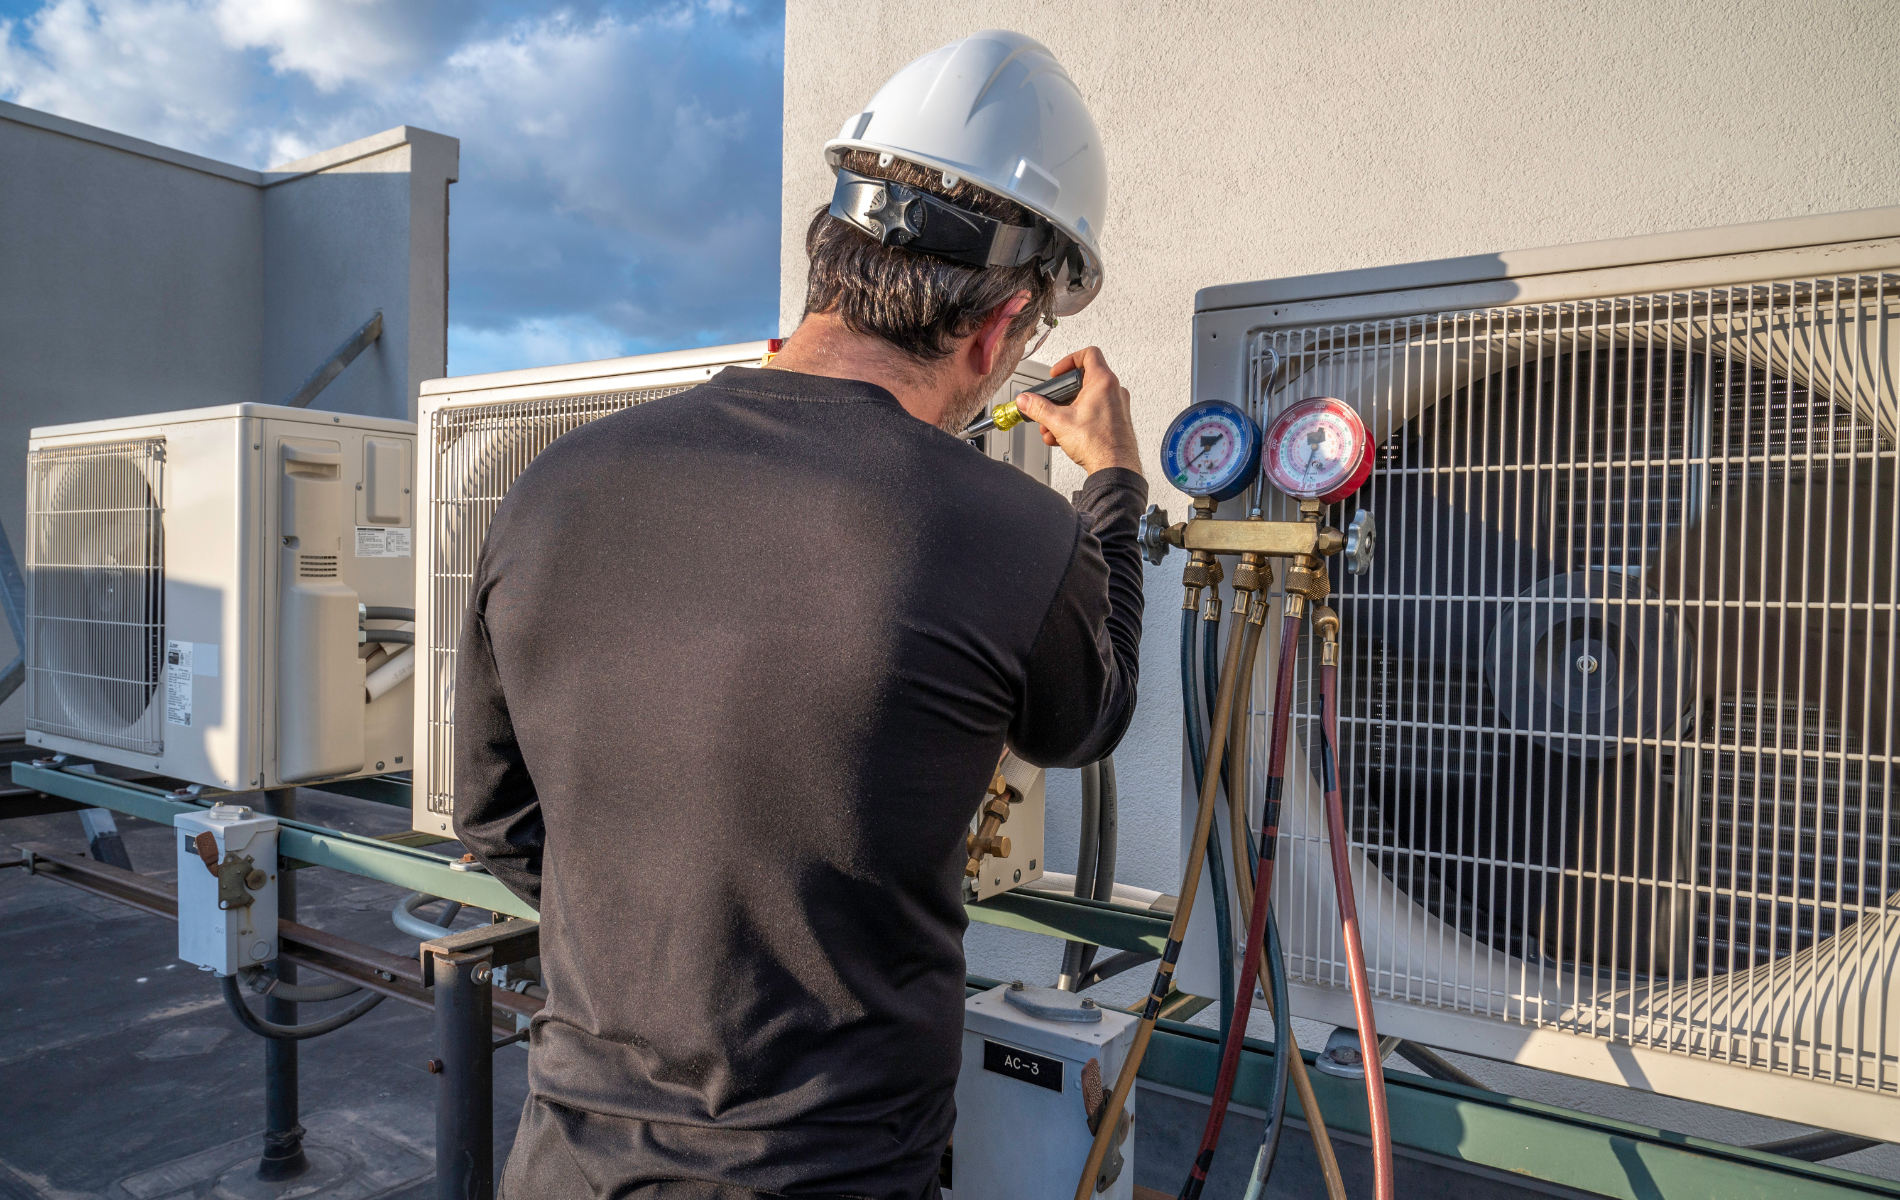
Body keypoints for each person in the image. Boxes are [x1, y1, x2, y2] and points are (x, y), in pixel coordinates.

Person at [454, 30, 1143, 1200]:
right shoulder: (1009, 532)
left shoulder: (555, 486)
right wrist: (1114, 491)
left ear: (829, 257)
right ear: (1000, 328)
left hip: (567, 1160)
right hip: (827, 1172)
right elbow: (1086, 720)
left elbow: (498, 823)